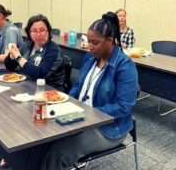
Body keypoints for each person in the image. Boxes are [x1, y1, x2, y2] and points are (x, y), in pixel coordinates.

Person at [37, 12, 138, 170]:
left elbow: (123, 106)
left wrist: (87, 113)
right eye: (89, 41)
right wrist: (67, 102)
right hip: (81, 117)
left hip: (108, 128)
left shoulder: (125, 66)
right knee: (42, 137)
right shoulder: (91, 58)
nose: (89, 46)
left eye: (95, 42)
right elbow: (78, 85)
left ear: (110, 41)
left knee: (60, 152)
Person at [4, 14, 67, 91]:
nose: (38, 34)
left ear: (48, 31)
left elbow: (40, 75)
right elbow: (9, 67)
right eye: (34, 31)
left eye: (42, 30)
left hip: (49, 92)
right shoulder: (28, 45)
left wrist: (19, 58)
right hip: (27, 86)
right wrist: (12, 56)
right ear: (29, 33)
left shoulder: (53, 50)